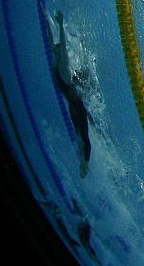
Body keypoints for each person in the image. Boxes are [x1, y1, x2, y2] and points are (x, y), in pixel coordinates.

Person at [49, 11, 92, 175]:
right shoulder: (57, 61)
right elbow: (54, 46)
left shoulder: (63, 68)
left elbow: (63, 46)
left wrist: (60, 24)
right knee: (81, 136)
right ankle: (84, 161)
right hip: (74, 101)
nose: (55, 50)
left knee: (82, 137)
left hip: (77, 106)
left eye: (56, 50)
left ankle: (85, 164)